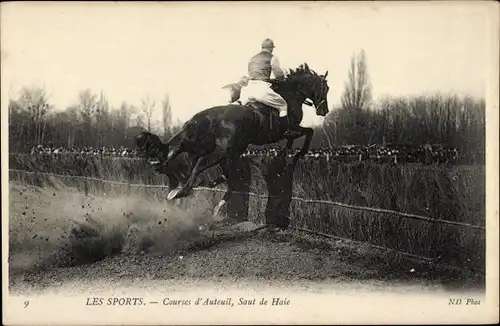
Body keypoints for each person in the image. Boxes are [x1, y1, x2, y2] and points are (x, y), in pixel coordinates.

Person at [239, 38, 288, 118]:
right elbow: (279, 76)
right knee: (283, 106)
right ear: (271, 48)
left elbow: (252, 74)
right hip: (262, 90)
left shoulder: (253, 58)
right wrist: (280, 80)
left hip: (248, 90)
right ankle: (286, 130)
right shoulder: (272, 57)